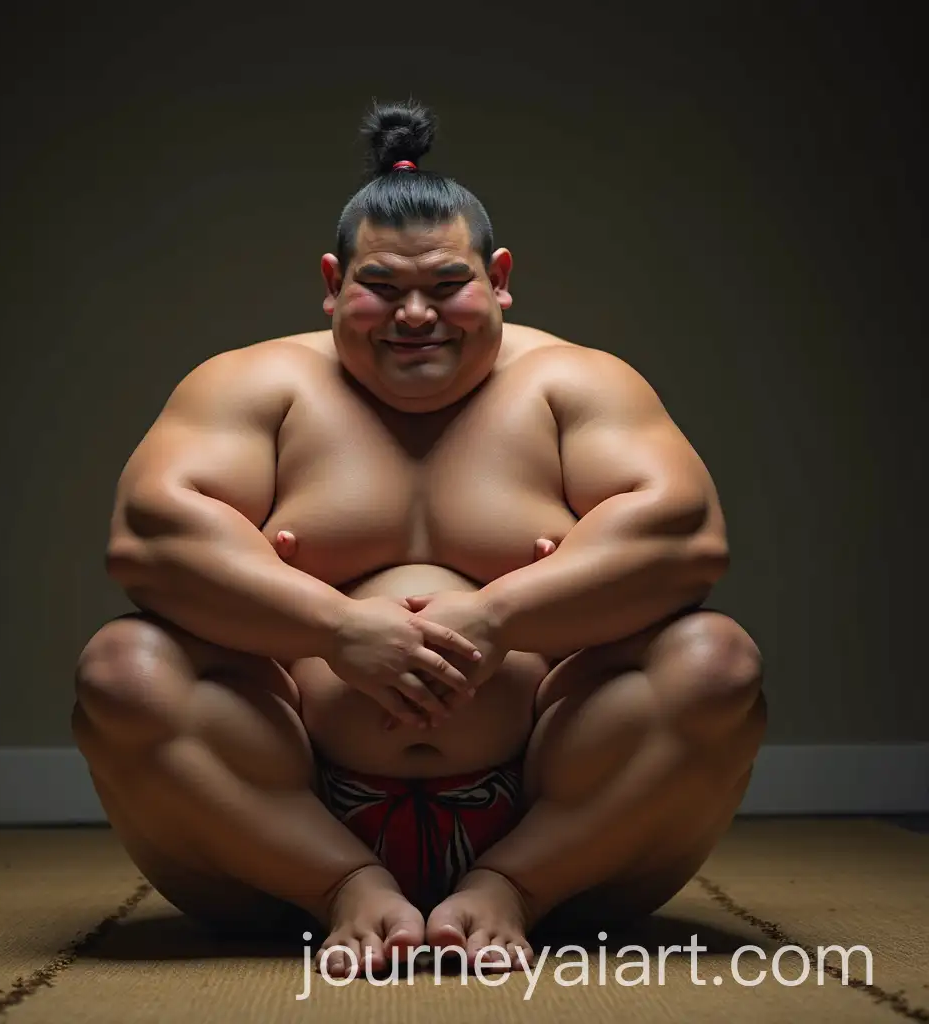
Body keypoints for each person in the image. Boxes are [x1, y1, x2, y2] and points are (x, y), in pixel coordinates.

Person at [72, 99, 766, 976]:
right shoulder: (255, 384)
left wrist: (499, 617)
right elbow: (150, 537)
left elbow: (685, 536)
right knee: (122, 668)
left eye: (445, 287)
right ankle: (343, 885)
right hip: (269, 819)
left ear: (499, 277)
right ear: (333, 283)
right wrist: (334, 628)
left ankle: (514, 885)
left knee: (716, 661)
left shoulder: (574, 384)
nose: (413, 316)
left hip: (570, 815)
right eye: (379, 288)